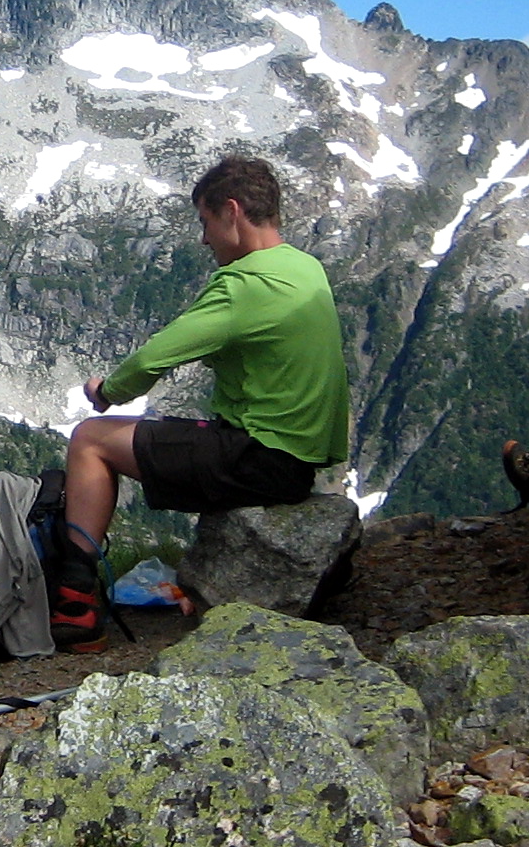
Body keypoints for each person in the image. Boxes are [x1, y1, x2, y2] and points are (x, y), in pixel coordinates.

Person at [56, 154, 351, 649]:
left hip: (257, 457)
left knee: (90, 440)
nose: (204, 238)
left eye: (206, 222)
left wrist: (106, 393)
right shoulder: (306, 268)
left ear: (231, 212)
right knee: (169, 430)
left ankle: (72, 609)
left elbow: (156, 357)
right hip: (297, 460)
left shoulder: (245, 285)